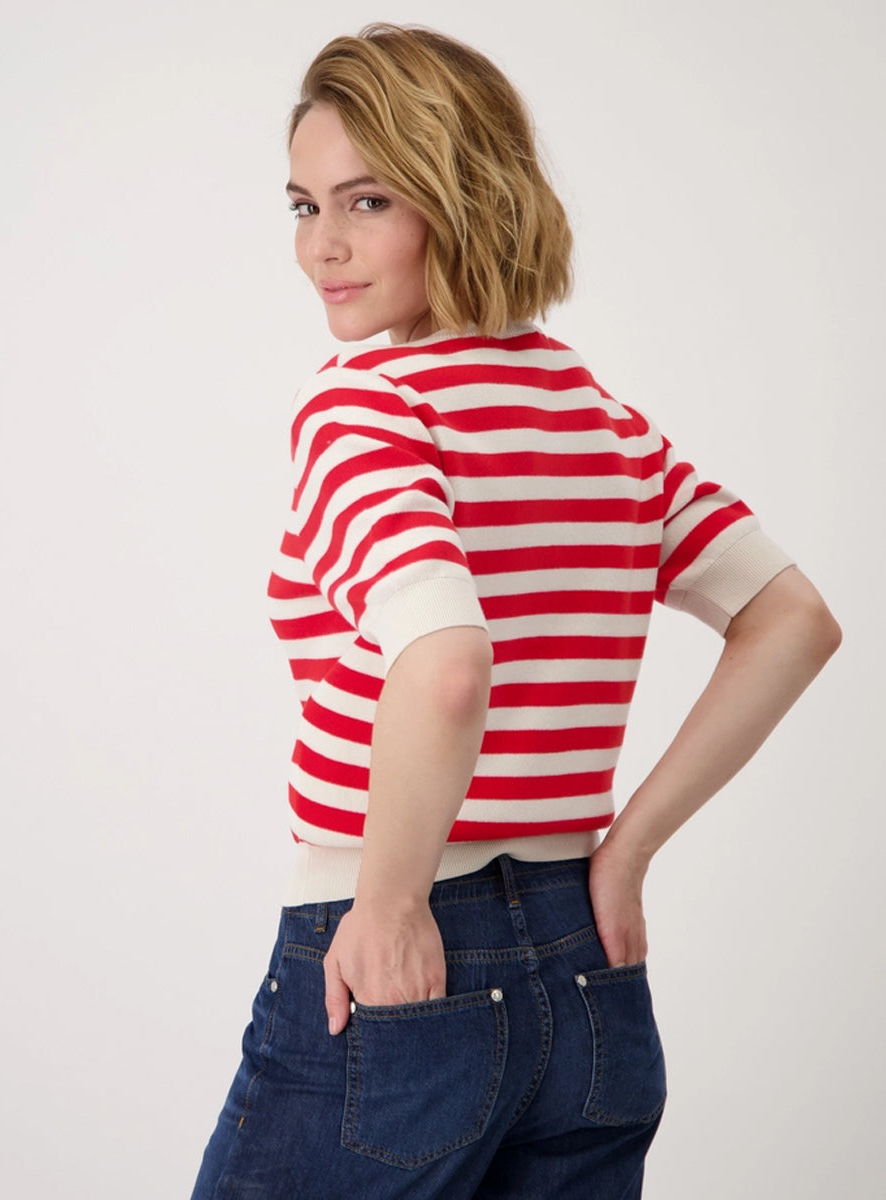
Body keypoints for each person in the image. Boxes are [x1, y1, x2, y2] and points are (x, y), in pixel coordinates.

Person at [190, 24, 841, 1200]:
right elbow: (792, 618)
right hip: (585, 974)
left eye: (367, 200)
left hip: (402, 954)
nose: (320, 249)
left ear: (461, 193)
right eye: (302, 205)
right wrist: (624, 852)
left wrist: (387, 902)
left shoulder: (368, 409)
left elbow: (443, 661)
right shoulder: (594, 413)